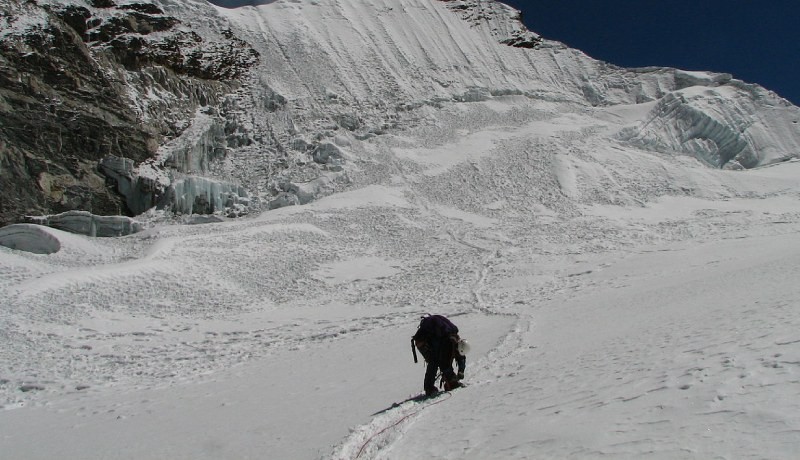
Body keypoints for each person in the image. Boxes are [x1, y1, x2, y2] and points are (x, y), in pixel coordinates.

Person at [411, 314, 467, 396]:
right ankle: (429, 388)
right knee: (434, 361)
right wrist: (451, 377)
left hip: (435, 338)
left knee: (439, 360)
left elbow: (461, 357)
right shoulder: (447, 344)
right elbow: (444, 363)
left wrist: (461, 370)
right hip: (422, 341)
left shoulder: (456, 341)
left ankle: (448, 382)